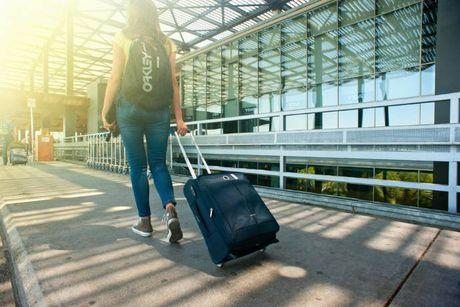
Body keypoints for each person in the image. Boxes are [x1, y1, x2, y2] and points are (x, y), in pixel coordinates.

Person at [101, 0, 188, 243]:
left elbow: (115, 78)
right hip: (159, 112)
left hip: (129, 110)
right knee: (159, 165)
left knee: (138, 167)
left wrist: (105, 110)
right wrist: (179, 119)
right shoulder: (166, 42)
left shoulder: (123, 37)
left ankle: (145, 221)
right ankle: (170, 210)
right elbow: (173, 83)